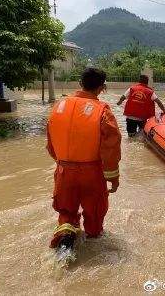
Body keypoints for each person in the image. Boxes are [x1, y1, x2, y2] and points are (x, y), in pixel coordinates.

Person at [47, 68, 122, 250]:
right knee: (94, 215)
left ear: (80, 83)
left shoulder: (58, 106)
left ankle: (65, 243)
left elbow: (50, 144)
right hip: (92, 173)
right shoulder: (103, 111)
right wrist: (113, 177)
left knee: (66, 212)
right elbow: (111, 147)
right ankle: (93, 245)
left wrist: (63, 163)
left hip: (64, 171)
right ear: (102, 88)